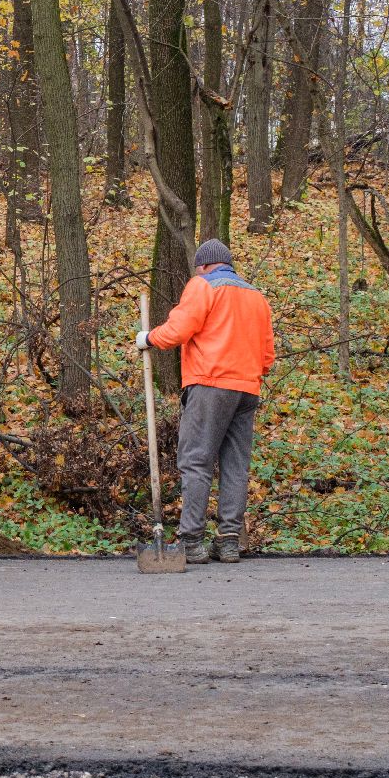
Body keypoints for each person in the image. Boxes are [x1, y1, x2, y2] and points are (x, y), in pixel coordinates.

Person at [136, 240, 275, 564]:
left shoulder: (202, 286)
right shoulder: (256, 296)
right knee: (235, 466)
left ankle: (192, 542)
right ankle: (228, 542)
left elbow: (180, 329)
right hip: (247, 388)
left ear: (203, 266)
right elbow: (267, 355)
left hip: (211, 384)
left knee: (196, 460)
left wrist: (149, 338)